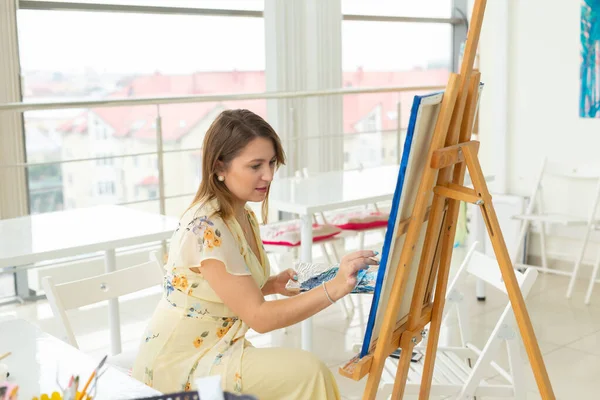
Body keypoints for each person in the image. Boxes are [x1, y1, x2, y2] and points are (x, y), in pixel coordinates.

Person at [132, 109, 379, 399]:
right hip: (182, 364)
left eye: (272, 163)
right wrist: (334, 288)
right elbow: (260, 318)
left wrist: (270, 284)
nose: (269, 175)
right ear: (219, 167)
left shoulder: (243, 214)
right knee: (308, 371)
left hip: (220, 347)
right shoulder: (207, 228)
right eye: (255, 166)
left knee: (303, 371)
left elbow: (222, 290)